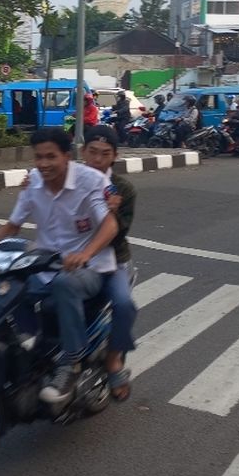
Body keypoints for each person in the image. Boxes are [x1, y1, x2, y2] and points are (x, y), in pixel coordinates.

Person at [0, 128, 119, 402]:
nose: (43, 164)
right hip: (44, 263)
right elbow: (14, 225)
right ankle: (29, 347)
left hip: (89, 268)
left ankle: (72, 362)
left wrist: (85, 253)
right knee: (1, 287)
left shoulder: (91, 181)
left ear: (67, 156)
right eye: (38, 157)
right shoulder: (34, 182)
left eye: (50, 157)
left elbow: (110, 225)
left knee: (65, 284)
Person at [80, 125, 138, 401]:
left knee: (123, 304)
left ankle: (114, 359)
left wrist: (109, 213)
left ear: (114, 156)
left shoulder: (123, 189)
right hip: (73, 259)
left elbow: (118, 235)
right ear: (83, 152)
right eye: (92, 152)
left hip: (113, 261)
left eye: (105, 154)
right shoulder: (71, 179)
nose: (98, 160)